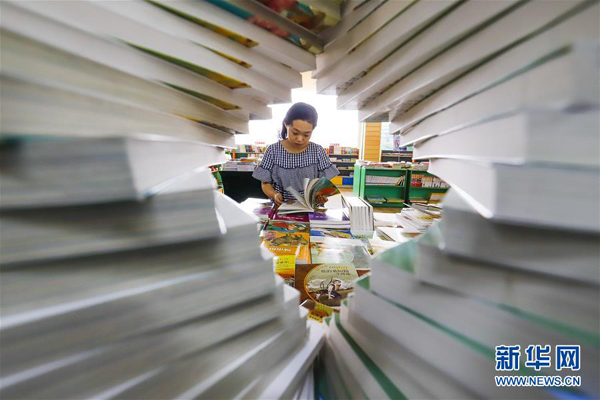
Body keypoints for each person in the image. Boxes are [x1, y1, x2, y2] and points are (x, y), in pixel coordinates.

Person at [253, 102, 339, 206]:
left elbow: (324, 185)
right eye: (295, 133)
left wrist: (322, 195)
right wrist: (274, 195)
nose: (300, 139)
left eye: (306, 135)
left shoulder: (318, 151)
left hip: (310, 208)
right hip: (282, 208)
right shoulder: (272, 151)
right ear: (286, 124)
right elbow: (265, 184)